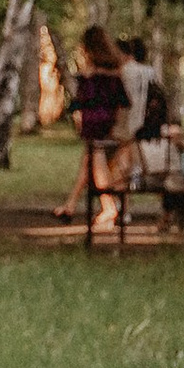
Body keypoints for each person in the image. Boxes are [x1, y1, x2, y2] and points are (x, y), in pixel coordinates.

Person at [63, 22, 133, 221]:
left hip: (93, 123)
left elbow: (82, 100)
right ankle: (70, 205)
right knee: (88, 163)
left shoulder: (89, 73)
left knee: (95, 162)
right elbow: (123, 101)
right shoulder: (115, 71)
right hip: (110, 121)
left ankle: (108, 206)